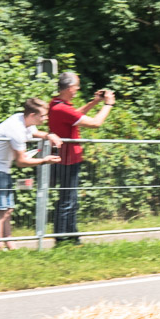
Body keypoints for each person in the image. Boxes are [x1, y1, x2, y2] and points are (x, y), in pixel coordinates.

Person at [0, 98, 62, 250]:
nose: (46, 118)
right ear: (32, 115)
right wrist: (44, 160)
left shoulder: (22, 120)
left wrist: (49, 135)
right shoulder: (15, 129)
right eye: (43, 116)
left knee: (7, 209)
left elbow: (35, 133)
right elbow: (21, 162)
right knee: (0, 209)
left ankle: (10, 245)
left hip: (1, 168)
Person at [47, 72, 114, 245]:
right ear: (70, 88)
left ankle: (72, 238)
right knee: (68, 201)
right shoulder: (61, 108)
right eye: (77, 85)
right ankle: (63, 240)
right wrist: (108, 105)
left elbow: (75, 115)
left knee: (70, 200)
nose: (78, 88)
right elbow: (95, 123)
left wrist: (95, 102)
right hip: (67, 159)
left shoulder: (56, 103)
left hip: (64, 158)